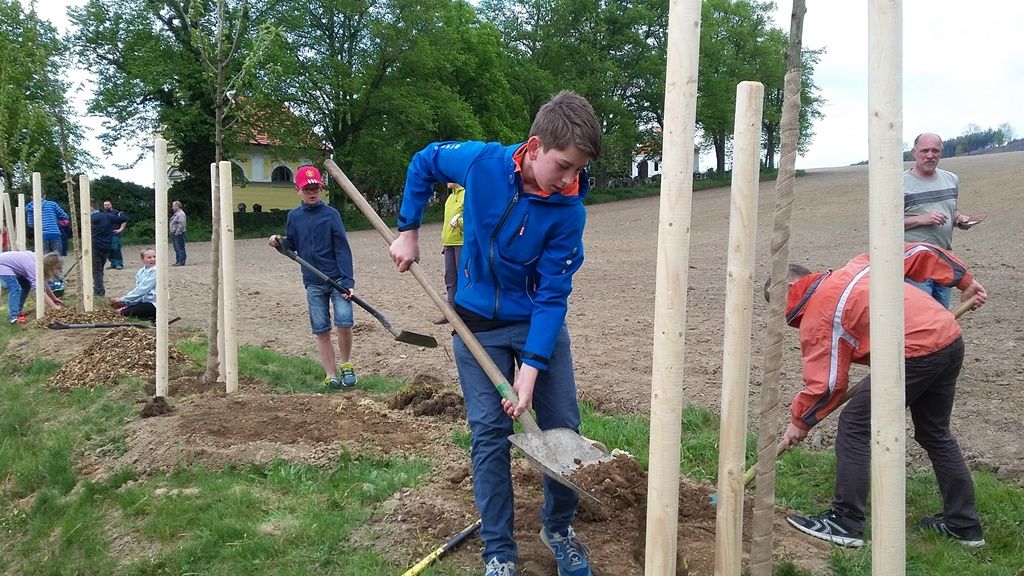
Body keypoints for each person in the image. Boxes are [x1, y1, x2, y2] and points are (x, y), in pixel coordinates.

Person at [389, 90, 601, 576]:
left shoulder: (569, 211)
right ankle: (499, 553)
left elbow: (553, 295)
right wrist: (408, 230)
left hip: (536, 324)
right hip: (476, 324)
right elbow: (425, 161)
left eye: (578, 169)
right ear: (535, 147)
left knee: (563, 430)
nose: (570, 179)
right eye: (564, 165)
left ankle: (558, 528)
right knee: (489, 433)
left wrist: (532, 368)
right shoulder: (482, 163)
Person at [779, 242, 988, 549]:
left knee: (854, 426)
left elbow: (827, 384)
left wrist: (800, 422)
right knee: (935, 432)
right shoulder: (858, 266)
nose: (782, 315)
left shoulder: (819, 312)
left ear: (790, 288)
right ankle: (964, 525)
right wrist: (964, 281)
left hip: (913, 353)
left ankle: (845, 522)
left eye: (776, 305)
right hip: (948, 340)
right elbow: (920, 252)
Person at [268, 165, 358, 390]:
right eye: (307, 189)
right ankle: (331, 375)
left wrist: (348, 282)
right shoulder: (294, 217)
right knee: (321, 329)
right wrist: (279, 242)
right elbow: (292, 245)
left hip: (337, 280)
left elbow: (342, 249)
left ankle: (346, 365)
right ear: (298, 189)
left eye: (316, 188)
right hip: (313, 282)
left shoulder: (331, 215)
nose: (312, 192)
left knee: (344, 322)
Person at [902, 133, 978, 307]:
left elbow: (953, 209)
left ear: (941, 153)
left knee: (942, 313)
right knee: (922, 314)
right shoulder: (900, 183)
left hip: (944, 260)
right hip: (916, 264)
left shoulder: (951, 179)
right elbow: (886, 225)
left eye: (935, 151)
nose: (930, 155)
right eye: (925, 151)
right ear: (914, 152)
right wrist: (921, 219)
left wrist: (959, 219)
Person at [0, 251, 63, 323]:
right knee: (15, 288)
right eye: (55, 270)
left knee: (26, 286)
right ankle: (13, 318)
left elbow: (42, 283)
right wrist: (53, 306)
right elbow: (39, 290)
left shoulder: (39, 261)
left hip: (8, 264)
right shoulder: (34, 266)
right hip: (2, 264)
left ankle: (17, 311)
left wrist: (54, 298)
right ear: (50, 267)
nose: (55, 273)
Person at [433, 182, 465, 325]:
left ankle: (465, 313)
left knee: (463, 278)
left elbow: (473, 219)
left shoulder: (466, 195)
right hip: (448, 243)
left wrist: (459, 222)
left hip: (462, 243)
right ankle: (450, 312)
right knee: (450, 278)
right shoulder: (450, 197)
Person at [90, 201, 128, 297]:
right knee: (100, 269)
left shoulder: (89, 218)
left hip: (95, 246)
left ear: (91, 208)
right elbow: (124, 218)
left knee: (96, 270)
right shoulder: (107, 216)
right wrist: (121, 213)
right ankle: (99, 289)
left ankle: (99, 292)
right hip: (106, 246)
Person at [109, 248, 157, 322]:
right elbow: (138, 292)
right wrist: (126, 302)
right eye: (149, 257)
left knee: (122, 313)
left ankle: (152, 318)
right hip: (143, 302)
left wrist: (123, 299)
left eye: (154, 257)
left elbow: (143, 289)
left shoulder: (156, 271)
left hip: (154, 304)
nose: (152, 259)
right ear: (142, 259)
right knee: (118, 309)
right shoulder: (141, 272)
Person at [103, 200, 128, 269]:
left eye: (108, 205)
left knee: (115, 248)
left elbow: (124, 220)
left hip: (115, 234)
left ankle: (119, 264)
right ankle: (113, 263)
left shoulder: (117, 213)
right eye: (105, 205)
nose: (106, 206)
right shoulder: (103, 214)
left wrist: (121, 229)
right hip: (106, 235)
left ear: (111, 205)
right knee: (108, 249)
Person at [170, 200, 188, 266]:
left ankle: (181, 262)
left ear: (177, 206)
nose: (172, 207)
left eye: (173, 206)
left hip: (179, 233)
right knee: (176, 248)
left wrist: (177, 232)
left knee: (180, 248)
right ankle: (178, 261)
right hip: (175, 233)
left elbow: (181, 224)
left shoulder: (181, 214)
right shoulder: (177, 214)